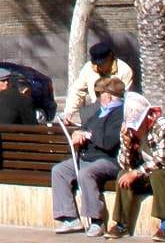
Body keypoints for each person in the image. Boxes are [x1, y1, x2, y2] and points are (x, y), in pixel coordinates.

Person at [51, 75, 126, 237]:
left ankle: (96, 220)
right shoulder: (99, 112)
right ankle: (69, 217)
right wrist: (78, 133)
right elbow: (85, 128)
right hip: (88, 156)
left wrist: (88, 135)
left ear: (108, 95)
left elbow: (109, 142)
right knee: (60, 170)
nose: (99, 98)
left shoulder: (120, 113)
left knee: (87, 173)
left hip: (108, 160)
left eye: (101, 94)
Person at [108, 91, 165, 240]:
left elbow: (164, 160)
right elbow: (125, 165)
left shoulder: (162, 126)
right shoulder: (128, 130)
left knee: (158, 173)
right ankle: (121, 224)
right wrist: (126, 144)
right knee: (123, 175)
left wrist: (135, 173)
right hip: (146, 171)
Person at [65, 42, 135, 121]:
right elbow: (77, 91)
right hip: (95, 110)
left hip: (116, 113)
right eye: (96, 64)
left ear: (110, 58)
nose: (99, 67)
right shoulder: (88, 68)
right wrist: (69, 112)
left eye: (102, 63)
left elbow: (125, 98)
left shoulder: (124, 70)